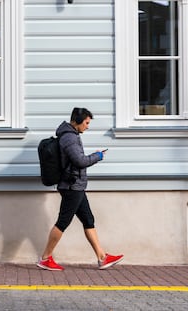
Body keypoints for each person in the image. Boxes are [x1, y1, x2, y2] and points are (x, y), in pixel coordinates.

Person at [37, 108, 124, 271]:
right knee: (63, 222)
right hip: (72, 186)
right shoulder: (69, 138)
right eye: (86, 123)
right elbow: (80, 161)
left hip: (76, 185)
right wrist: (98, 156)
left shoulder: (70, 135)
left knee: (88, 219)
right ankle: (45, 258)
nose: (88, 126)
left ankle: (102, 257)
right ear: (77, 121)